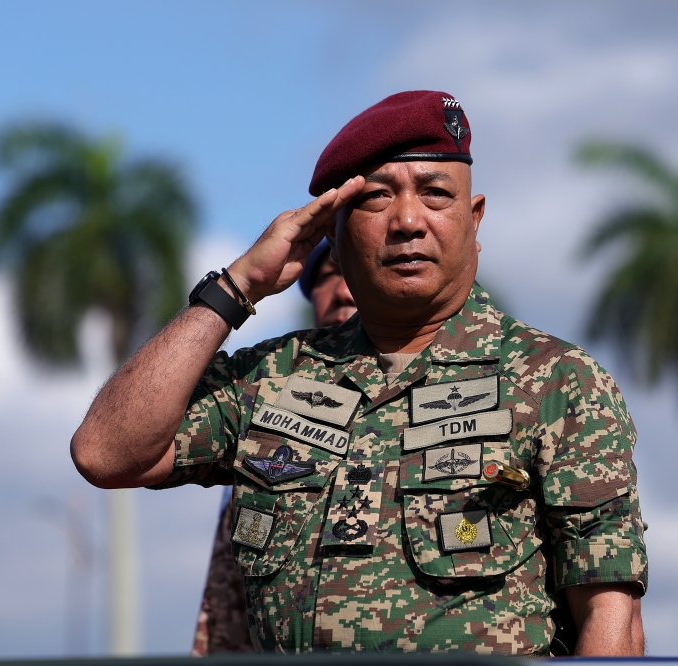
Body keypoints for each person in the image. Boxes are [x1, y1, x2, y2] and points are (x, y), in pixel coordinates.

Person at [71, 90, 648, 655]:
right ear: (334, 233)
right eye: (376, 198)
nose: (407, 221)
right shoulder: (274, 378)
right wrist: (237, 286)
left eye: (436, 194)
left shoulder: (554, 382)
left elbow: (610, 618)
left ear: (475, 221)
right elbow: (107, 453)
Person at [192, 240, 356, 655]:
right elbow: (226, 620)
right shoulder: (267, 408)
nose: (342, 291)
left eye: (353, 273)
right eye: (328, 277)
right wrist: (232, 288)